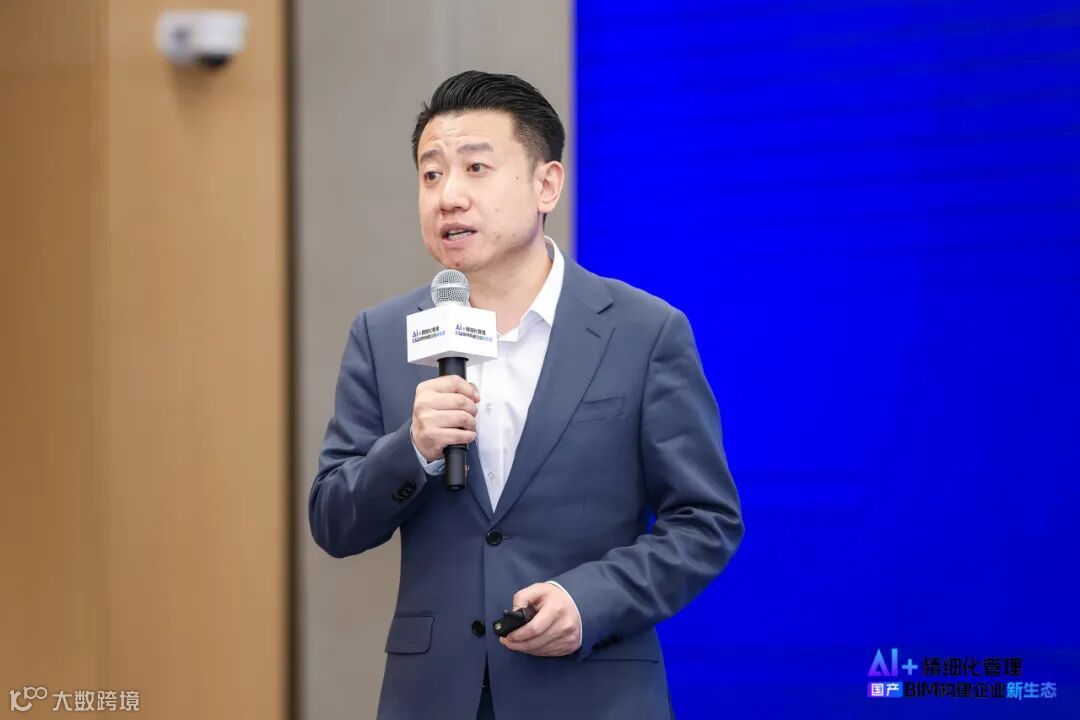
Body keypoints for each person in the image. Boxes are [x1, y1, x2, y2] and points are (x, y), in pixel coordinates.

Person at [309, 70, 744, 720]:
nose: (448, 196)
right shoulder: (382, 334)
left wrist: (591, 600)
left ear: (547, 184)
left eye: (475, 168)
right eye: (431, 175)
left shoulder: (643, 331)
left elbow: (705, 521)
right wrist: (413, 449)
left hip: (592, 694)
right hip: (432, 699)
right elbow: (333, 521)